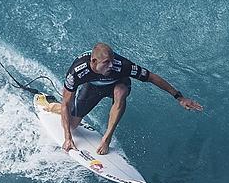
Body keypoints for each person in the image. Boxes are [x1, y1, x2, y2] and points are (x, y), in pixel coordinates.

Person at [36, 42, 203, 155]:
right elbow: (66, 101)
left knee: (121, 91)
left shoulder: (121, 66)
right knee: (73, 125)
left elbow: (151, 77)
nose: (111, 66)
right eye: (106, 63)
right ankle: (52, 107)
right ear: (94, 61)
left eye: (112, 61)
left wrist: (179, 97)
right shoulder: (78, 71)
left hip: (117, 85)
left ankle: (106, 138)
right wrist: (67, 137)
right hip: (92, 87)